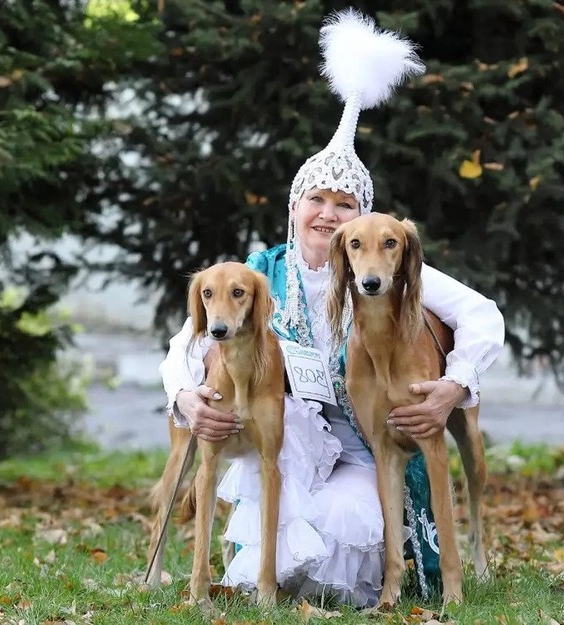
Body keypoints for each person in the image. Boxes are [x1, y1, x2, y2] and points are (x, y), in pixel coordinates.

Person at [158, 8, 505, 608]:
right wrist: (187, 398)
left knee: (346, 527)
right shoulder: (258, 273)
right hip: (287, 443)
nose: (327, 213)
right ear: (294, 207)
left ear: (360, 221)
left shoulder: (386, 267)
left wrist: (454, 386)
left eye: (344, 204)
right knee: (286, 519)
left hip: (367, 444)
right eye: (315, 198)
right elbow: (187, 343)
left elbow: (483, 316)